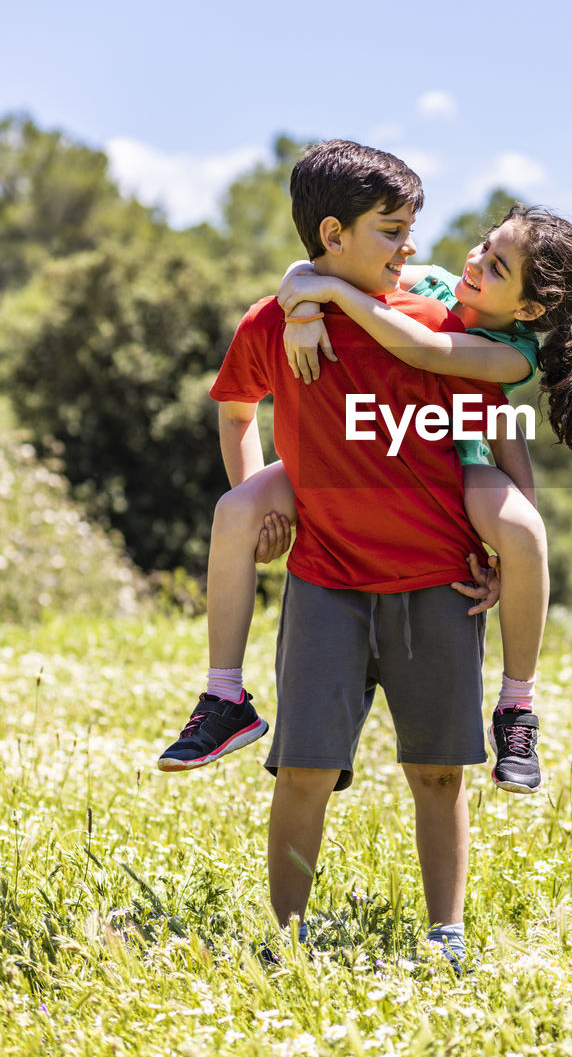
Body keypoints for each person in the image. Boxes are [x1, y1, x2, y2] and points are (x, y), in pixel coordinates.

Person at [161, 140, 505, 968]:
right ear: (332, 233)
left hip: (440, 585)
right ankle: (286, 940)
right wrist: (266, 504)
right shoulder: (273, 324)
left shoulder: (432, 324)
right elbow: (238, 410)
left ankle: (445, 936)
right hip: (325, 585)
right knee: (305, 770)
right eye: (391, 230)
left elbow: (482, 435)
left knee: (437, 771)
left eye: (410, 228)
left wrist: (496, 539)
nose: (408, 248)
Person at [276, 202, 572, 792]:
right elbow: (306, 269)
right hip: (372, 457)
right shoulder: (429, 280)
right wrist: (304, 309)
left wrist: (331, 292)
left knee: (527, 534)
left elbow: (424, 351)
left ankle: (516, 707)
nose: (477, 261)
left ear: (530, 310)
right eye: (486, 245)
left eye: (499, 267)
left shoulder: (514, 354)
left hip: (457, 463)